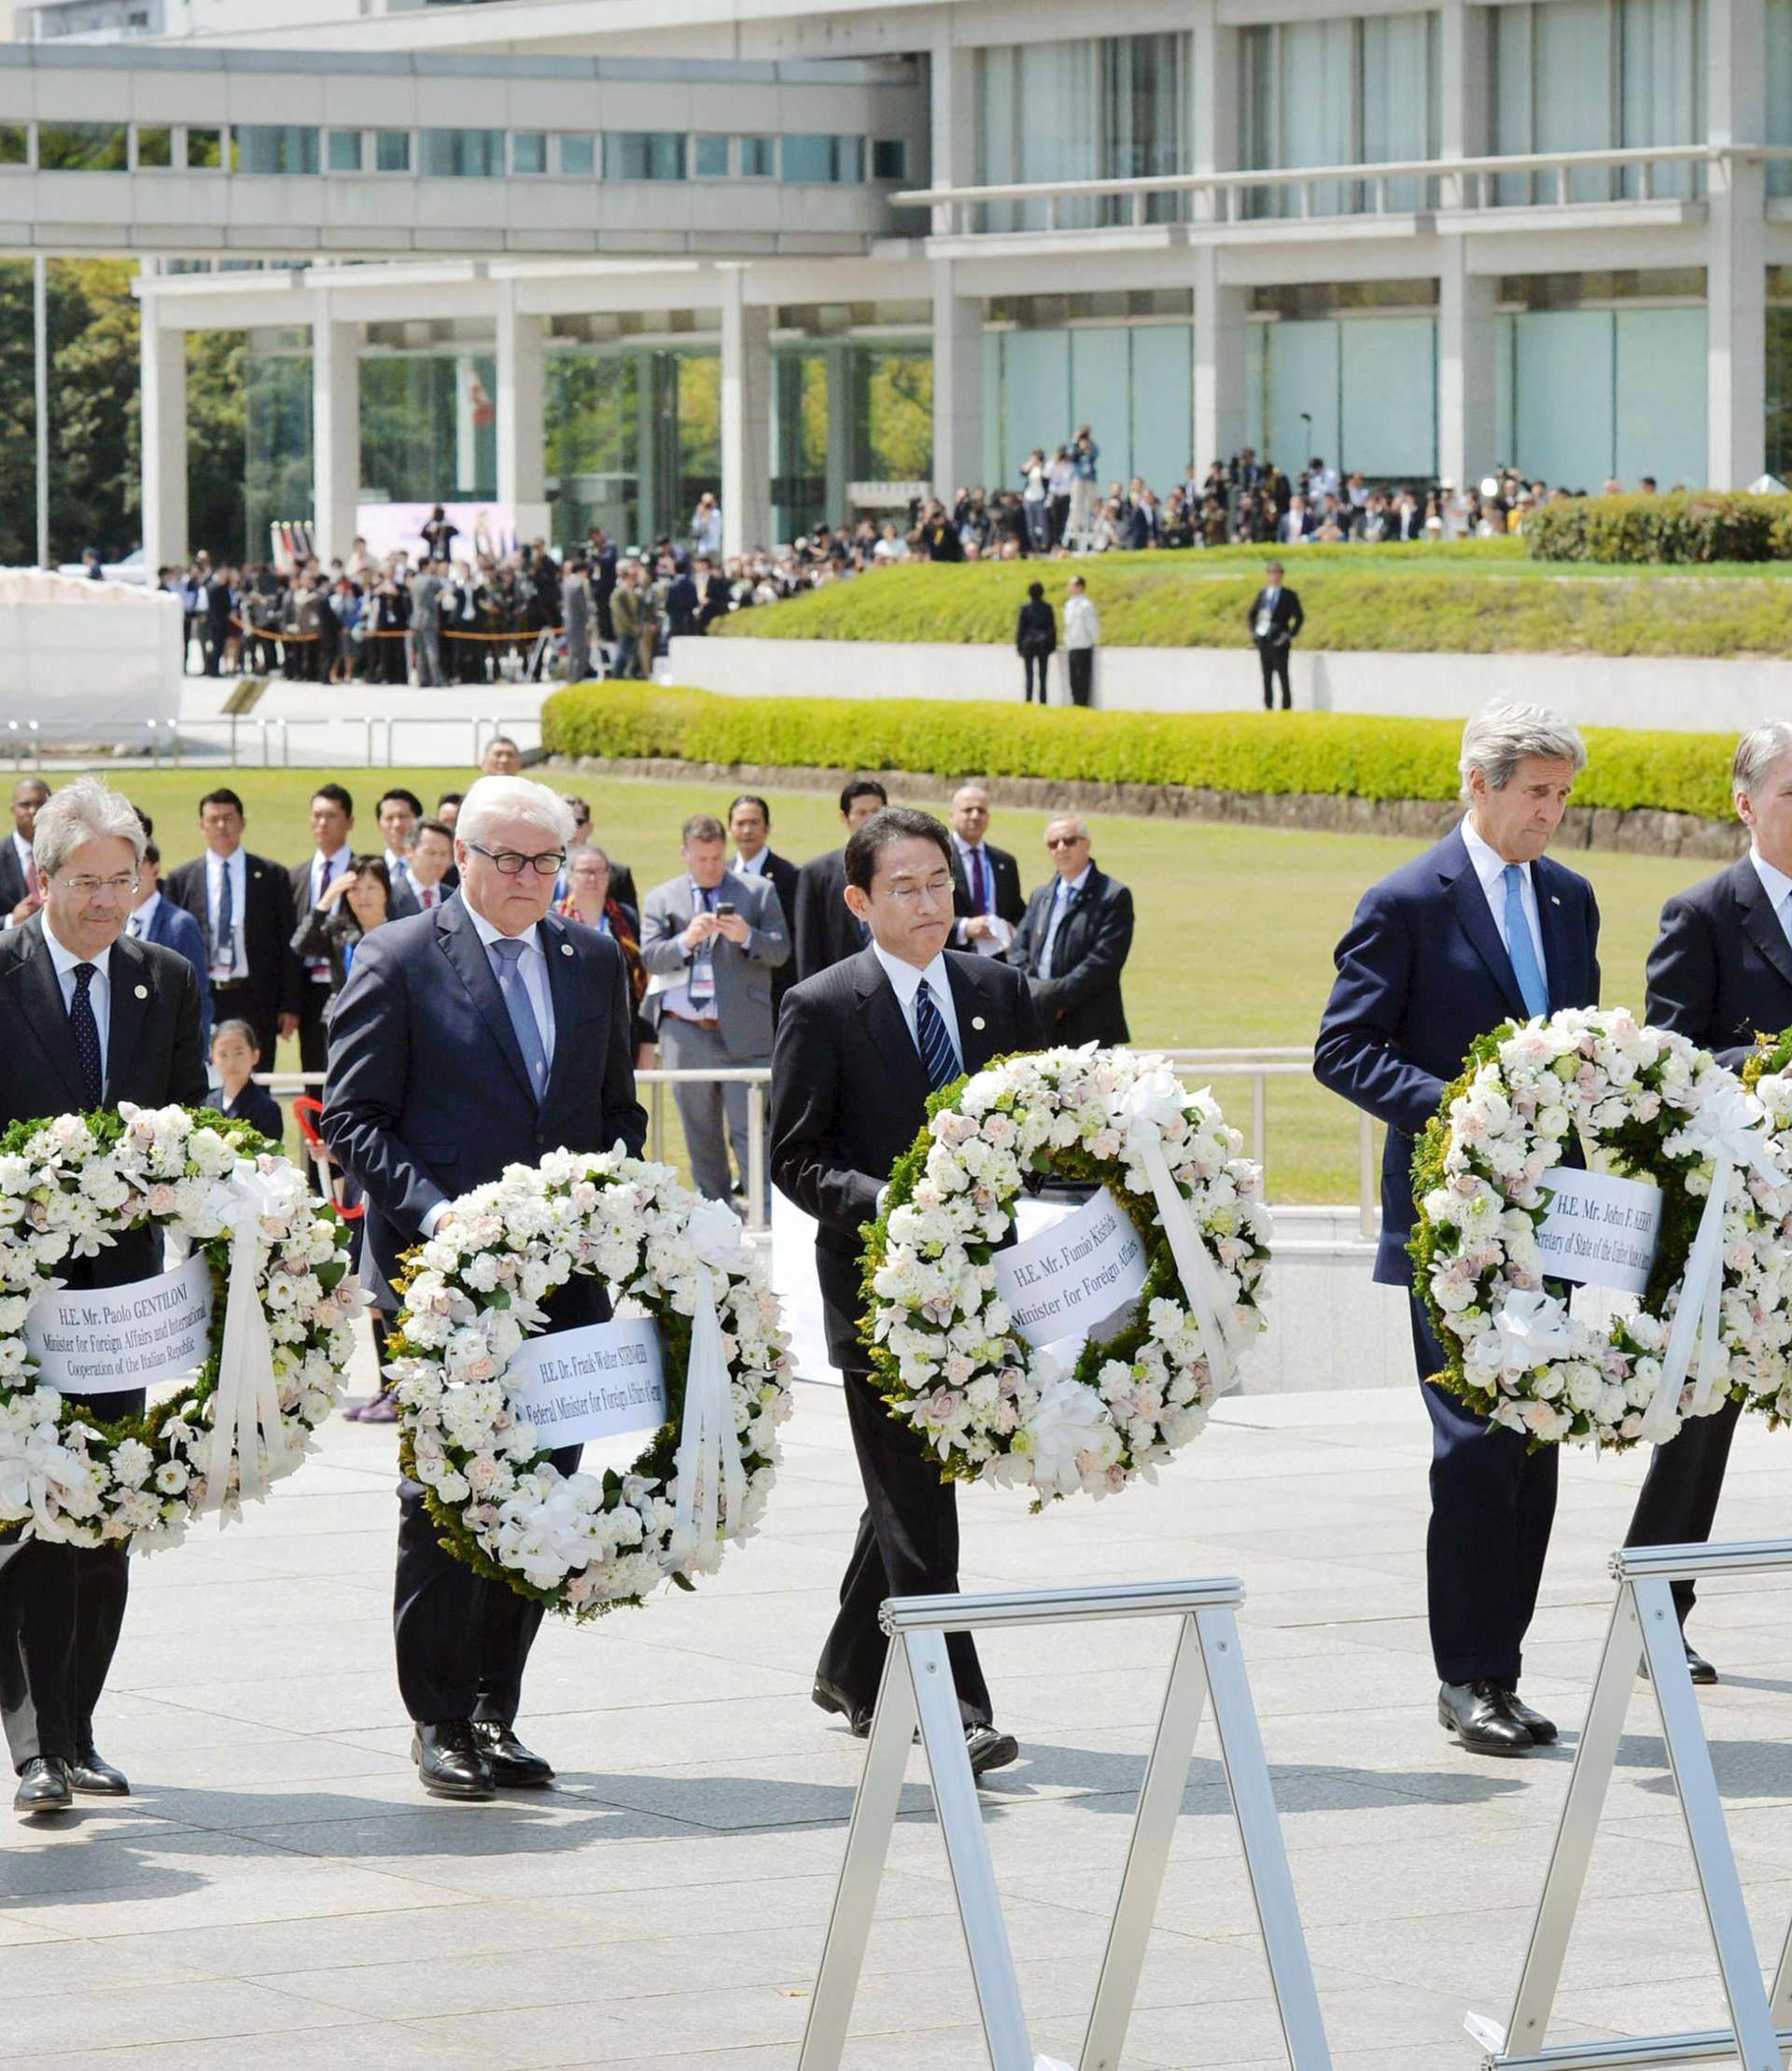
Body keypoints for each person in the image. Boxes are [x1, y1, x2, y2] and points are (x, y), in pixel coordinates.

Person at [323, 776, 647, 1801]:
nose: (527, 878)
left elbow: (614, 1112)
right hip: (442, 1281)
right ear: (457, 853)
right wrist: (450, 1222)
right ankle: (438, 1716)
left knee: (543, 1490)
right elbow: (357, 1117)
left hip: (566, 1281)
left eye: (546, 861)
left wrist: (612, 1195)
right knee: (446, 1497)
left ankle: (496, 1707)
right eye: (506, 857)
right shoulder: (399, 957)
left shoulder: (592, 959)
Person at [1314, 702, 1598, 1757]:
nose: (1553, 814)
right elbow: (1344, 1050)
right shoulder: (1405, 900)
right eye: (1538, 793)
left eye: (1565, 795)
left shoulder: (1572, 899)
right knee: (1476, 1447)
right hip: (1453, 1221)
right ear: (1479, 784)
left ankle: (1506, 1668)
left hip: (1556, 1221)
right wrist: (1466, 1112)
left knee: (1536, 1446)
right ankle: (1464, 1675)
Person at [771, 805, 1042, 1775]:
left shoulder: (999, 988)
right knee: (921, 1503)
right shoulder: (822, 1003)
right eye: (905, 887)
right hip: (877, 1293)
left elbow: (1030, 1128)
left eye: (939, 882)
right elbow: (796, 1158)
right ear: (858, 900)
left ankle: (852, 1664)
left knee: (905, 1490)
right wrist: (899, 1202)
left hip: (983, 1290)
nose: (930, 902)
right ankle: (953, 1699)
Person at [0, 777, 208, 1814]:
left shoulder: (163, 977)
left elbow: (193, 1118)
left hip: (121, 1306)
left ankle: (78, 1728)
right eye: (86, 881)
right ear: (44, 878)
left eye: (123, 880)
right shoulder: (1, 970)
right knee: (29, 1515)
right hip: (16, 1302)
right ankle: (35, 1743)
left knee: (106, 1508)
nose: (106, 900)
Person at [1621, 720, 1792, 1685]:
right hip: (1740, 1222)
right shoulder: (1703, 912)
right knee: (1703, 1425)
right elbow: (1669, 1060)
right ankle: (1660, 1612)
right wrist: (1776, 1065)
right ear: (1745, 803)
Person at [640, 813, 789, 1212]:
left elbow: (780, 951)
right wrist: (687, 940)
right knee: (699, 1130)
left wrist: (746, 936)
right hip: (684, 1032)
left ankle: (766, 1212)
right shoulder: (661, 898)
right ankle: (715, 1213)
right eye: (702, 858)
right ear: (685, 853)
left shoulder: (758, 892)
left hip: (745, 1029)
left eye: (717, 857)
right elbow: (650, 958)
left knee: (752, 1129)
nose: (711, 866)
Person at [163, 787, 301, 1070]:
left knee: (257, 1080)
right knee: (203, 1078)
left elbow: (288, 941)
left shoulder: (271, 875)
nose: (222, 826)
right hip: (204, 994)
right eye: (213, 819)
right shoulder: (181, 879)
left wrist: (290, 1004)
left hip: (256, 996)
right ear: (202, 825)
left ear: (242, 822)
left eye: (229, 818)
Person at [1007, 816, 1132, 1042]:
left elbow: (1104, 961)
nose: (1061, 848)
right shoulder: (1041, 896)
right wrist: (1036, 993)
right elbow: (1017, 951)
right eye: (1053, 844)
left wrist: (1054, 997)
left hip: (1088, 1024)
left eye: (1069, 840)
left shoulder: (1113, 896)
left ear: (1087, 844)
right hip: (1039, 1019)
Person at [557, 845, 651, 1063]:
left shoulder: (625, 919)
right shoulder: (553, 921)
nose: (594, 879)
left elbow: (642, 982)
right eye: (586, 872)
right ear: (570, 877)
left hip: (621, 1032)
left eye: (601, 871)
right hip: (571, 1035)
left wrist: (647, 1038)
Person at [288, 783, 357, 1084]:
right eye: (316, 815)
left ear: (349, 822)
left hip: (350, 985)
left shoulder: (363, 873)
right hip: (309, 993)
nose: (322, 823)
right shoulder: (295, 876)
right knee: (314, 1074)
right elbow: (288, 943)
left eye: (331, 815)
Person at [793, 777, 888, 981]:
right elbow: (807, 949)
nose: (871, 819)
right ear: (844, 817)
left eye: (877, 812)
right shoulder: (816, 874)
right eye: (862, 813)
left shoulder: (900, 870)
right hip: (837, 991)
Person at [127, 837, 213, 1047]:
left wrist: (194, 1059)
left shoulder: (180, 925)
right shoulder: (112, 923)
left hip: (166, 1049)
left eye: (137, 864)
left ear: (155, 869)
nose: (130, 874)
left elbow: (198, 997)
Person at [289, 852, 393, 1017]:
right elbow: (300, 945)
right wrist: (325, 902)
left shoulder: (401, 929)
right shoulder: (338, 929)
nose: (363, 897)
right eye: (354, 889)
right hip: (344, 1017)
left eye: (371, 888)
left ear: (386, 891)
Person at [726, 793, 802, 1016]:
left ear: (767, 828)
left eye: (754, 823)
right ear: (730, 829)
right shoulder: (720, 874)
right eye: (740, 823)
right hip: (731, 991)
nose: (747, 830)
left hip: (775, 992)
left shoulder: (789, 876)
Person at [946, 782, 1024, 959]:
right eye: (968, 810)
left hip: (998, 959)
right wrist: (964, 927)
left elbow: (1017, 911)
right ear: (952, 816)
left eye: (981, 811)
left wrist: (1014, 928)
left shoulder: (1005, 862)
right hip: (953, 956)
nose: (975, 816)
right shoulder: (938, 859)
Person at [207, 1016, 285, 1140]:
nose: (231, 1062)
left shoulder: (267, 1109)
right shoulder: (206, 1104)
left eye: (239, 1053)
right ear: (212, 1058)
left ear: (255, 1055)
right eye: (223, 1054)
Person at [1249, 562, 1305, 712]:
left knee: (1283, 675)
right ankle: (1268, 706)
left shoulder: (1289, 595)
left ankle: (1286, 707)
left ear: (1282, 575)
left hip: (1280, 640)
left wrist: (1289, 635)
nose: (1274, 576)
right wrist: (1254, 633)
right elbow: (1252, 614)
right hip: (1264, 639)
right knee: (1266, 676)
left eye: (1277, 573)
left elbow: (1299, 617)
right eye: (1272, 573)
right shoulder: (1263, 594)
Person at [0, 776, 48, 925]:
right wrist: (10, 921)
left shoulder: (71, 854)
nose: (33, 811)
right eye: (25, 805)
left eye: (40, 804)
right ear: (13, 810)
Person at [397, 818, 455, 917]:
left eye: (443, 854)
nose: (438, 861)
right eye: (431, 853)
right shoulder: (390, 897)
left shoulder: (454, 899)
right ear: (409, 851)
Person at [1015, 581, 1057, 706]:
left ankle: (1028, 699)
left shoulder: (1025, 608)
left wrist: (1019, 646)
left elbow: (1021, 629)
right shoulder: (1047, 608)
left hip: (1028, 644)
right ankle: (1043, 700)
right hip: (1043, 644)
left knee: (1029, 675)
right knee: (1043, 675)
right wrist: (1052, 645)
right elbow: (1052, 628)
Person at [1062, 576, 1099, 708]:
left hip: (1084, 645)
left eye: (1071, 585)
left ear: (1080, 587)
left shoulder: (1086, 605)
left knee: (1082, 677)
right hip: (1072, 645)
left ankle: (1082, 703)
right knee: (1073, 678)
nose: (1069, 588)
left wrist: (1093, 640)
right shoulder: (1069, 604)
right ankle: (1075, 702)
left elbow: (1092, 626)